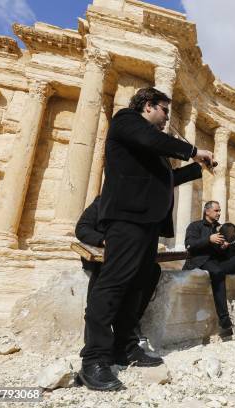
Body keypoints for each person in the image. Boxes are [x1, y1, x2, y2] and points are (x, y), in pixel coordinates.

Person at [78, 87, 214, 391]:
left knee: (141, 281)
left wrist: (195, 169)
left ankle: (124, 346)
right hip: (127, 217)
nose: (167, 118)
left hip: (146, 222)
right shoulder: (126, 120)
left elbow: (164, 179)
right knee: (112, 284)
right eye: (165, 111)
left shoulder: (147, 146)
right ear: (148, 105)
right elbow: (153, 139)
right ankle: (94, 359)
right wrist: (193, 150)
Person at [75, 195, 159, 353]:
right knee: (103, 279)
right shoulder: (102, 202)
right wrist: (105, 240)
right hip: (103, 257)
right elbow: (82, 229)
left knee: (152, 271)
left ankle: (130, 328)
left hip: (130, 257)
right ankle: (95, 341)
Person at [182, 201, 235, 337]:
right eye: (216, 210)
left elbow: (226, 252)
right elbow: (190, 245)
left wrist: (225, 247)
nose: (219, 213)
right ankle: (224, 320)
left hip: (218, 261)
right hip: (201, 260)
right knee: (217, 272)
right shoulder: (195, 226)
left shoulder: (222, 228)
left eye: (219, 211)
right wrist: (209, 239)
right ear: (207, 211)